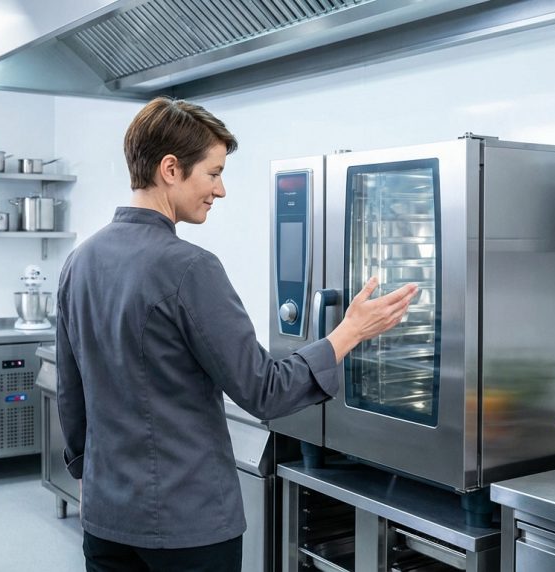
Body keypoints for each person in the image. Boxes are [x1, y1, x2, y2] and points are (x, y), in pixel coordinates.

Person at [56, 96, 417, 572]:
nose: (220, 190)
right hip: (187, 527)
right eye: (213, 172)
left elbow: (70, 393)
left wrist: (87, 474)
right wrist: (349, 332)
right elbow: (264, 390)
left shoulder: (80, 261)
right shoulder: (189, 268)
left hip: (106, 519)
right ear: (170, 168)